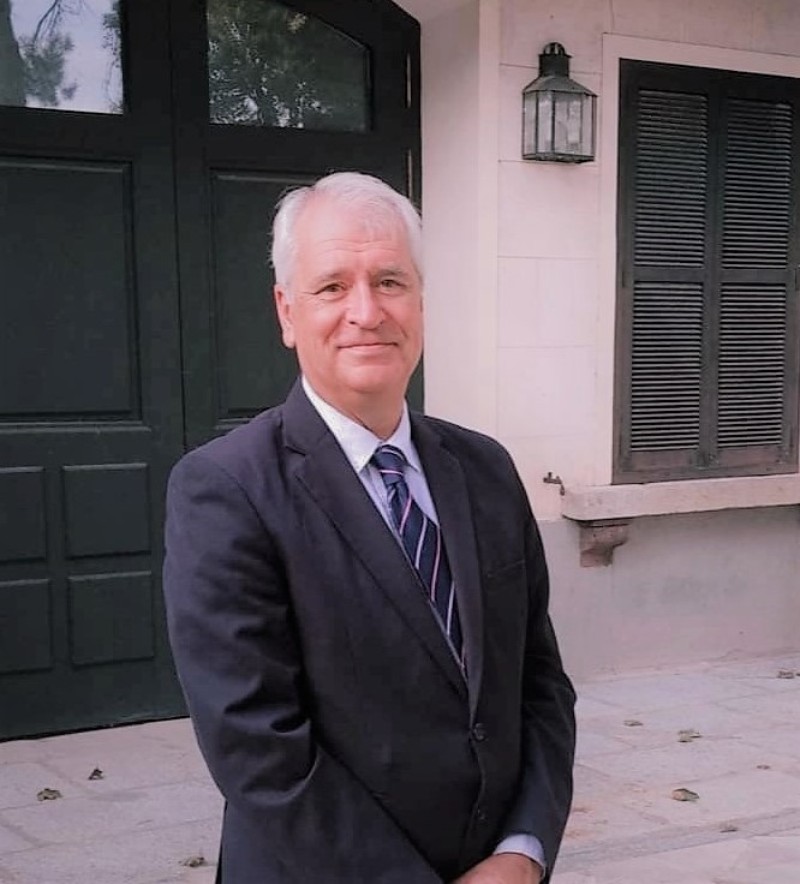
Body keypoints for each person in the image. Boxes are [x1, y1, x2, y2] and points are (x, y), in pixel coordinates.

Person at [163, 171, 576, 884]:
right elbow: (257, 747)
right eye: (332, 287)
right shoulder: (225, 490)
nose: (367, 311)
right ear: (287, 312)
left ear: (420, 301)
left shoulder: (486, 468)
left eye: (390, 282)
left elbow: (540, 683)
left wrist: (524, 850)